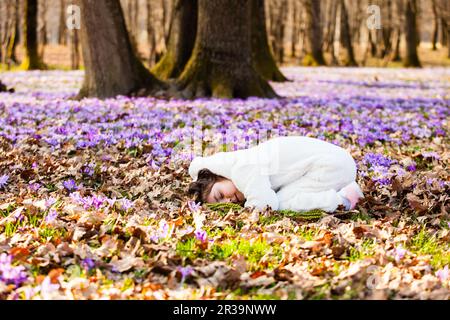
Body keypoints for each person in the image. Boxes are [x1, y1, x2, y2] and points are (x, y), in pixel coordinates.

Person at [188, 136, 363, 212]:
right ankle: (345, 189)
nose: (229, 201)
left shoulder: (241, 168)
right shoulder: (245, 159)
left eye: (220, 195)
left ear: (220, 176)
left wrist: (248, 214)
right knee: (288, 196)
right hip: (336, 162)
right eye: (222, 205)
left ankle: (344, 200)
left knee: (283, 204)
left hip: (331, 166)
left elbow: (266, 205)